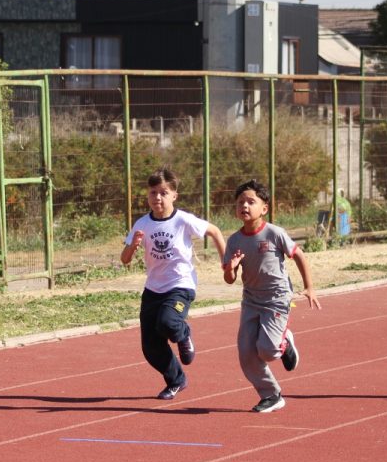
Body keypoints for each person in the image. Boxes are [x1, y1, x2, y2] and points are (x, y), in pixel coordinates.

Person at [121, 168, 227, 400]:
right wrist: (133, 245)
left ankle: (184, 334)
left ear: (173, 196)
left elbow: (215, 232)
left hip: (180, 285)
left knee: (169, 322)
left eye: (163, 192)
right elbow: (125, 259)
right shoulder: (142, 223)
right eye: (152, 193)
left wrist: (225, 262)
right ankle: (176, 380)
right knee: (150, 347)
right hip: (153, 289)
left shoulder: (183, 220)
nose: (157, 197)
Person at [222, 179, 322, 413]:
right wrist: (231, 267)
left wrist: (309, 287)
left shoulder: (274, 233)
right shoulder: (234, 241)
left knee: (267, 350)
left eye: (250, 202)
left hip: (276, 299)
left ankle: (285, 341)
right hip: (251, 301)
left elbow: (298, 255)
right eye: (240, 202)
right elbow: (229, 279)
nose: (244, 206)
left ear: (264, 208)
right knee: (246, 353)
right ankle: (271, 395)